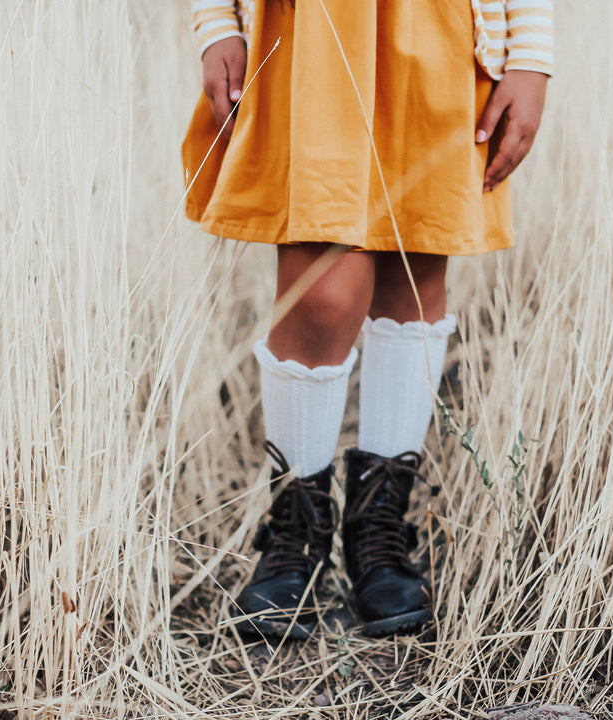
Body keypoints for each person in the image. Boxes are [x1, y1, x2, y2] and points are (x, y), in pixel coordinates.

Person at [181, 0, 554, 638]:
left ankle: (379, 531)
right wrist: (217, 22)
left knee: (414, 266)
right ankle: (294, 534)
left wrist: (532, 53)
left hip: (439, 31)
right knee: (321, 289)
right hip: (313, 34)